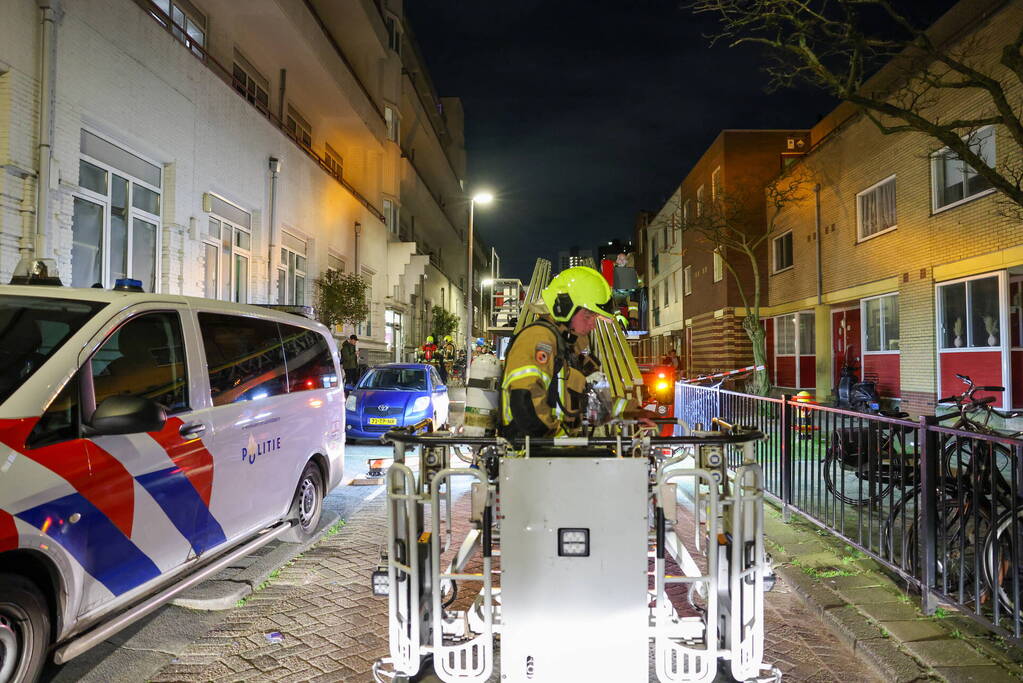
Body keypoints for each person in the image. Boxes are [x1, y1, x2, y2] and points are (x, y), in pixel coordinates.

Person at [500, 266, 652, 438]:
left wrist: (632, 412)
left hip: (553, 454)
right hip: (532, 456)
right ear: (564, 308)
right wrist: (556, 442)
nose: (593, 325)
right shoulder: (539, 339)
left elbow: (594, 400)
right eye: (588, 316)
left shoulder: (568, 347)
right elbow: (524, 401)